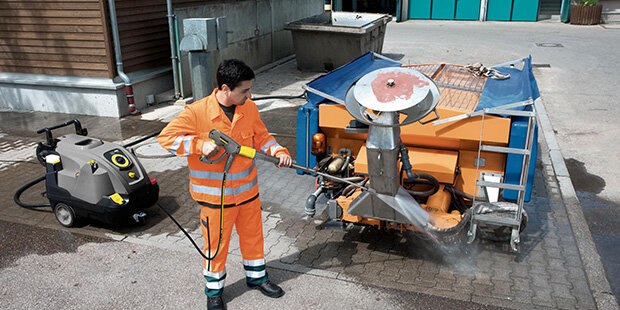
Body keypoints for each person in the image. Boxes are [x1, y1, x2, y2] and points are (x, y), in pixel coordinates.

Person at [158, 59, 292, 310]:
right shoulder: (196, 112)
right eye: (244, 90)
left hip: (248, 194)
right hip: (215, 199)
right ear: (225, 88)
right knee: (216, 245)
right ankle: (214, 291)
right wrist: (199, 145)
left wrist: (278, 151)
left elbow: (262, 136)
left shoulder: (249, 108)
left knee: (253, 238)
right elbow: (165, 138)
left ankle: (257, 278)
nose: (249, 95)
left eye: (250, 90)